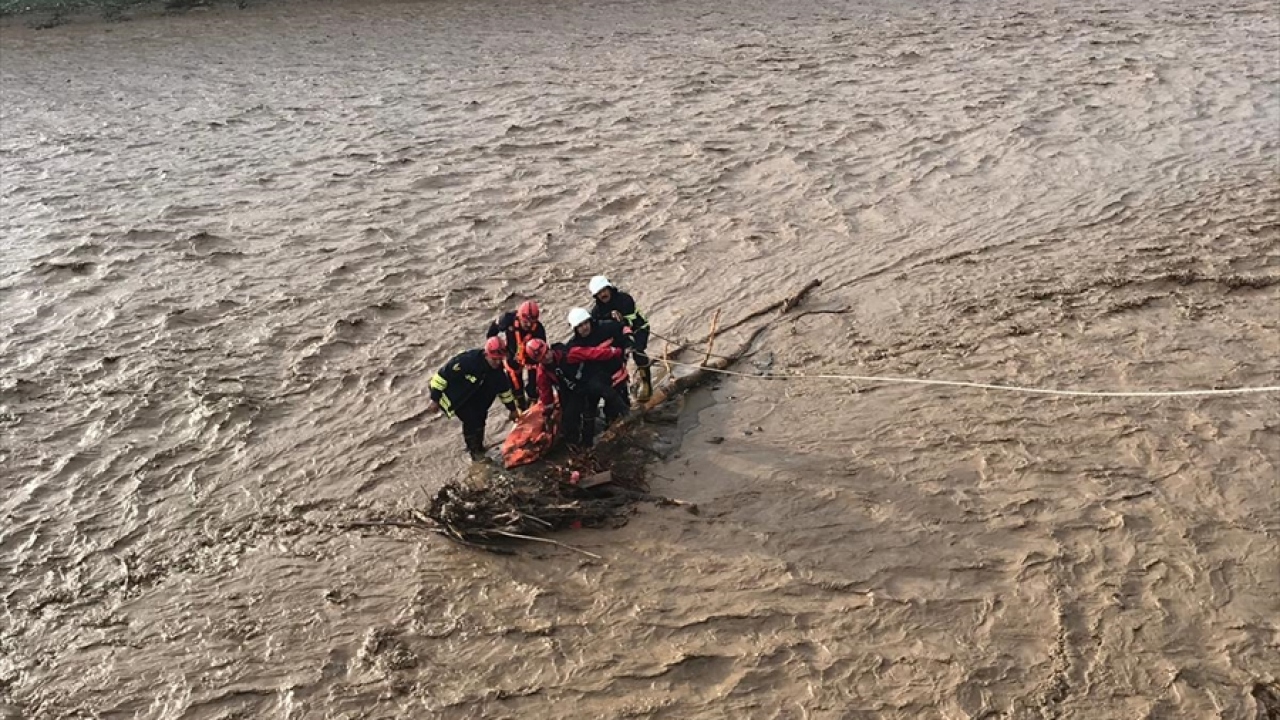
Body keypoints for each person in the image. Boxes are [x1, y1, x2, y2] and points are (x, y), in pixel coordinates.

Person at [524, 336, 627, 451]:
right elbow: (545, 392)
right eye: (543, 357)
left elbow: (592, 353)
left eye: (547, 353)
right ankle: (579, 445)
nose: (547, 357)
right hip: (573, 391)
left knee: (601, 390)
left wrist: (616, 352)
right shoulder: (543, 372)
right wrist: (548, 412)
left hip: (588, 379)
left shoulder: (569, 353)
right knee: (569, 418)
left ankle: (625, 412)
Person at [428, 336, 520, 459]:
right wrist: (434, 398)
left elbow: (505, 393)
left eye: (500, 359)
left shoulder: (498, 375)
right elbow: (443, 376)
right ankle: (474, 452)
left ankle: (478, 447)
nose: (498, 363)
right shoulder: (468, 361)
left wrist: (512, 410)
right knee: (471, 421)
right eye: (494, 359)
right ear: (487, 355)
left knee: (480, 420)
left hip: (478, 401)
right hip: (459, 398)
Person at [588, 275, 653, 402]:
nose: (603, 294)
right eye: (599, 293)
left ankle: (647, 384)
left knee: (638, 352)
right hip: (618, 336)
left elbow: (632, 321)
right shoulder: (597, 311)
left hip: (638, 328)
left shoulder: (624, 299)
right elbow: (597, 329)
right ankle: (624, 391)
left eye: (604, 290)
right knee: (616, 362)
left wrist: (621, 320)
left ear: (609, 288)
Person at [566, 306, 634, 424]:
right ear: (575, 329)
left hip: (616, 372)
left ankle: (625, 418)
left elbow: (623, 330)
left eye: (586, 323)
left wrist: (628, 345)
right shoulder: (574, 346)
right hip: (595, 381)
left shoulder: (606, 328)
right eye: (580, 326)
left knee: (619, 404)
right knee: (592, 409)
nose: (585, 327)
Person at [485, 300, 546, 410]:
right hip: (512, 356)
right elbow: (491, 333)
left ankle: (533, 403)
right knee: (516, 388)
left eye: (532, 322)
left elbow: (542, 351)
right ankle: (521, 407)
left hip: (531, 360)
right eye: (525, 322)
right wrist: (498, 349)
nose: (528, 325)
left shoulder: (539, 330)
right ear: (519, 316)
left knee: (534, 387)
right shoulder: (507, 320)